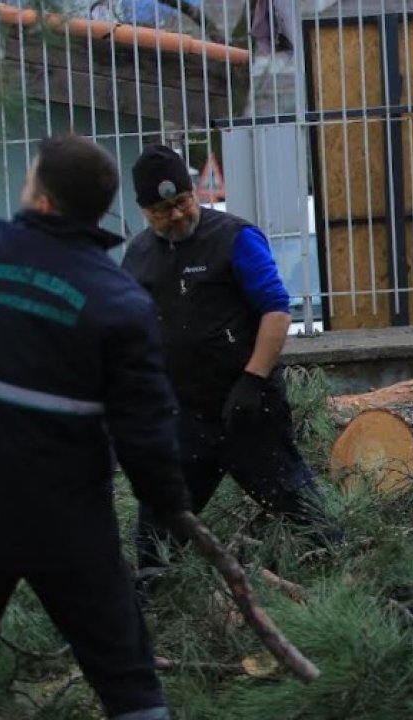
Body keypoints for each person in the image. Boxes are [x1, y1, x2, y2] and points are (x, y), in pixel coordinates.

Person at [0, 134, 189, 720]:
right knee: (125, 675)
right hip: (65, 524)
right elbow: (146, 427)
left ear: (40, 198)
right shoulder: (118, 298)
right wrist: (169, 504)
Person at [122, 144, 336, 580]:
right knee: (159, 527)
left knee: (301, 508)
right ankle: (154, 607)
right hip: (184, 419)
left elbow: (276, 310)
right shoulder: (138, 258)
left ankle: (343, 576)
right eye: (163, 210)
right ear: (144, 211)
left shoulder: (234, 238)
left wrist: (252, 381)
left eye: (182, 202)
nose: (178, 215)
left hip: (247, 409)